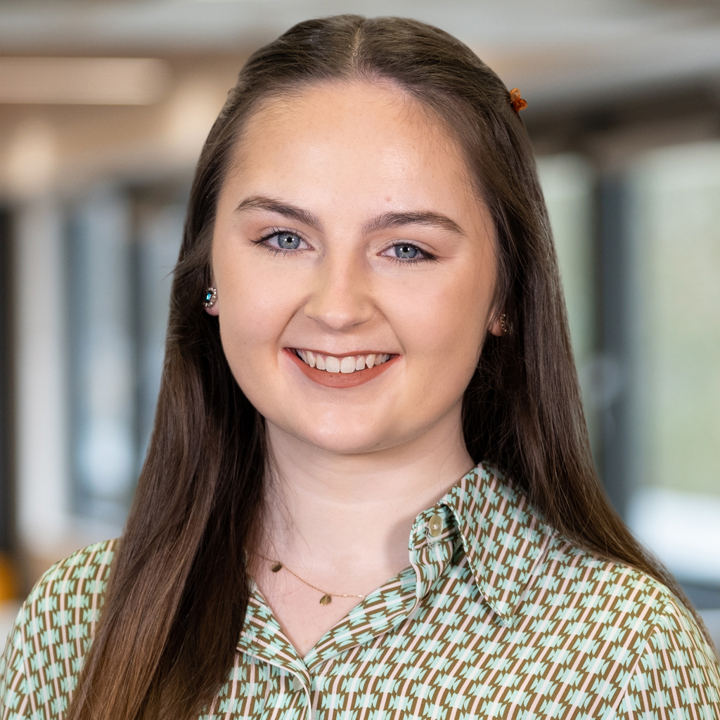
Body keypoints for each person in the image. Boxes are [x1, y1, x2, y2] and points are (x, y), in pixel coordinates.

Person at [2, 14, 720, 720]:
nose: (338, 308)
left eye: (406, 249)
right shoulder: (75, 619)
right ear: (208, 272)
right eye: (283, 238)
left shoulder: (624, 653)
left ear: (504, 293)